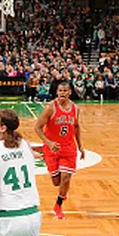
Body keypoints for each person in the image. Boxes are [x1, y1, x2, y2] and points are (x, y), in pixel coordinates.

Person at [34, 81, 84, 220]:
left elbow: (76, 127)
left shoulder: (75, 108)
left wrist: (80, 145)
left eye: (65, 90)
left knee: (66, 177)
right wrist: (49, 143)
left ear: (70, 92)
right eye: (60, 90)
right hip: (52, 149)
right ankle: (63, 190)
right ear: (57, 92)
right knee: (56, 182)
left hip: (68, 148)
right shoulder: (50, 107)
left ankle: (58, 205)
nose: (62, 93)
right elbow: (37, 127)